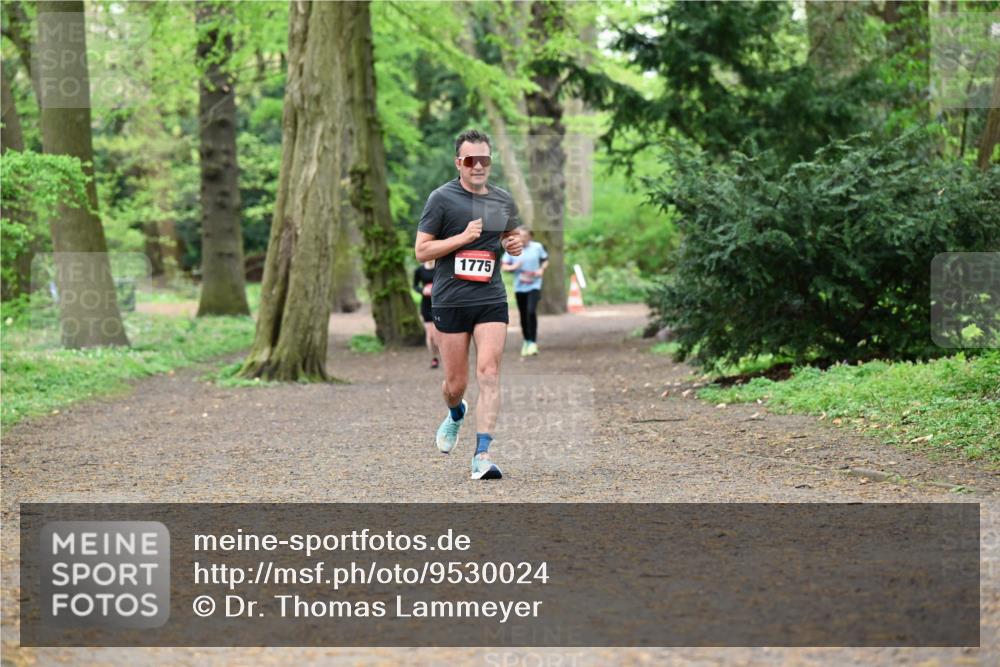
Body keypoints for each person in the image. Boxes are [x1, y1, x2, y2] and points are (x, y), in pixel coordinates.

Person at [414, 129, 524, 480]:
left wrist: (513, 244)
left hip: (490, 298)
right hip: (451, 300)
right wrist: (462, 238)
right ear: (458, 162)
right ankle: (455, 412)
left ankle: (482, 455)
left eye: (485, 160)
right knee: (455, 384)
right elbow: (422, 251)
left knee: (489, 374)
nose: (478, 166)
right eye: (470, 160)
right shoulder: (441, 199)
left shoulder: (501, 200)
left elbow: (509, 237)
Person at [502, 226, 548, 357]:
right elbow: (504, 266)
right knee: (523, 314)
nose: (522, 238)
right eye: (520, 235)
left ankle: (533, 342)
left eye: (525, 236)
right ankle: (526, 341)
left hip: (534, 284)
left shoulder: (537, 247)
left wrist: (541, 270)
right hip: (520, 286)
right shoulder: (513, 247)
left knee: (531, 311)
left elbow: (545, 260)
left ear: (530, 236)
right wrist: (514, 267)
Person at [413, 260, 440, 368]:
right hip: (426, 304)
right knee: (430, 335)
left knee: (438, 334)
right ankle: (434, 358)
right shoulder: (419, 270)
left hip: (439, 303)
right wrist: (422, 290)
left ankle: (443, 354)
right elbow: (415, 286)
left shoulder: (439, 267)